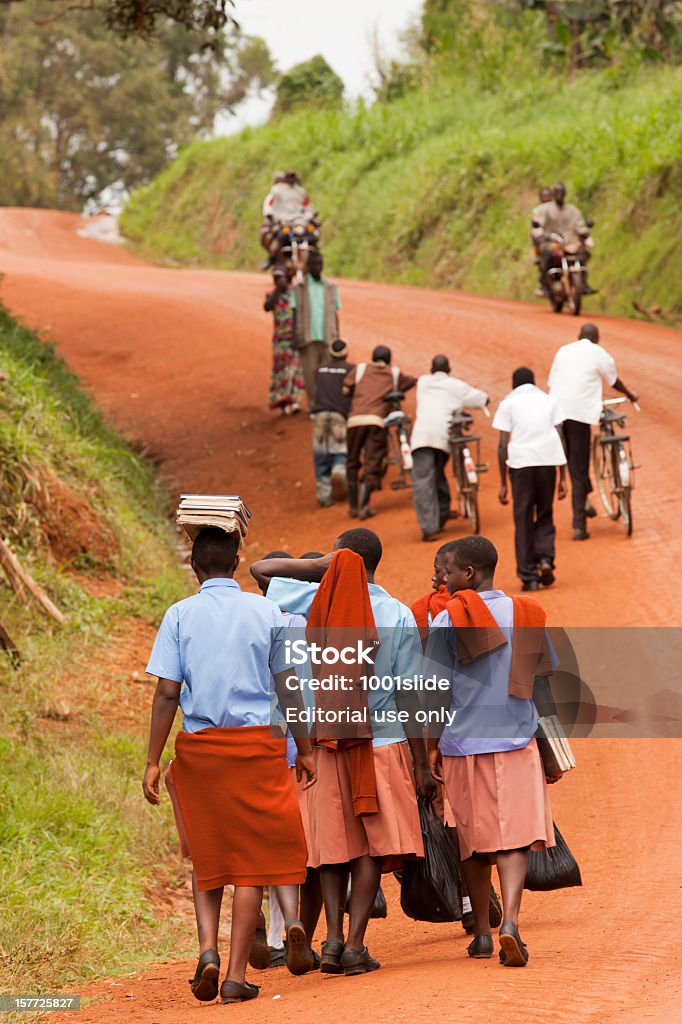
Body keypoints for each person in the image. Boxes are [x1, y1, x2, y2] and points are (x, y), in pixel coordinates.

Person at [142, 527, 316, 1006]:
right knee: (252, 865)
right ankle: (237, 975)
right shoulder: (267, 612)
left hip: (201, 752)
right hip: (257, 747)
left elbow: (167, 693)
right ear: (237, 564)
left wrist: (153, 760)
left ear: (194, 568)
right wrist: (304, 747)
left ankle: (206, 952)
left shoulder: (179, 615)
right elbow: (288, 687)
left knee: (208, 854)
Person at [251, 528, 436, 977]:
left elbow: (260, 569)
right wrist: (421, 759)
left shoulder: (319, 600)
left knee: (333, 846)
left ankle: (331, 941)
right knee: (371, 847)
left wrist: (321, 567)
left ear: (336, 559)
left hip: (327, 740)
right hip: (385, 740)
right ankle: (354, 945)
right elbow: (411, 691)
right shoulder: (395, 612)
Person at [425, 536, 556, 967]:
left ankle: (481, 932)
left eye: (447, 572)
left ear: (470, 574)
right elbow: (544, 678)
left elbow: (434, 687)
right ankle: (512, 922)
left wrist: (430, 746)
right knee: (513, 835)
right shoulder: (527, 613)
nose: (441, 580)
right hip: (516, 738)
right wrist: (548, 737)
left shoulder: (447, 620)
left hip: (463, 742)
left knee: (472, 839)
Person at [548, 323, 638, 540]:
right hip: (580, 416)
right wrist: (630, 394)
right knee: (578, 469)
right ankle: (579, 526)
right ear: (597, 338)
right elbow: (614, 381)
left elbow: (552, 382)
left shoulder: (563, 351)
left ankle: (585, 499)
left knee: (572, 462)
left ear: (579, 336)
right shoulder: (599, 353)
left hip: (557, 414)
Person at [493, 367, 568, 590]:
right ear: (534, 382)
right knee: (545, 513)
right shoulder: (549, 400)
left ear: (513, 385)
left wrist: (503, 482)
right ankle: (545, 559)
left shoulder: (508, 404)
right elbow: (560, 437)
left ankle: (529, 577)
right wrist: (563, 476)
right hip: (547, 462)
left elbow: (502, 445)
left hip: (521, 465)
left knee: (523, 518)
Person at [410, 355, 488, 541]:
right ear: (449, 369)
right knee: (437, 474)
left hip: (422, 437)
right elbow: (481, 398)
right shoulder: (456, 385)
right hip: (444, 438)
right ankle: (441, 515)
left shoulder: (423, 382)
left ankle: (430, 527)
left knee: (423, 480)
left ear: (431, 369)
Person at [343, 346, 416, 519]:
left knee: (352, 461)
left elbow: (345, 390)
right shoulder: (394, 373)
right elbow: (411, 382)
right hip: (376, 421)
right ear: (389, 359)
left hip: (354, 421)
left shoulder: (360, 369)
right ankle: (364, 506)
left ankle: (353, 505)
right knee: (372, 461)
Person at [291, 251, 341, 405]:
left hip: (328, 338)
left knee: (327, 375)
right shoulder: (299, 288)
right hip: (307, 338)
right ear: (308, 266)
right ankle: (314, 405)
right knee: (310, 376)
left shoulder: (331, 287)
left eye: (319, 264)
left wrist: (337, 337)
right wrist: (295, 336)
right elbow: (294, 313)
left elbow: (335, 313)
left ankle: (326, 404)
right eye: (313, 264)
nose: (317, 267)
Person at [310, 339, 354, 507]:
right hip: (339, 416)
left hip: (319, 415)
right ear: (346, 352)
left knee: (320, 454)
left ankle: (324, 496)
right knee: (340, 450)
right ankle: (339, 470)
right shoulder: (351, 369)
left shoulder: (319, 370)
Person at [534, 182, 596, 295]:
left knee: (583, 254)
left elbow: (579, 224)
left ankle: (583, 282)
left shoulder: (572, 210)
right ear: (554, 194)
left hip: (570, 242)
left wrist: (584, 232)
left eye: (561, 192)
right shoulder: (545, 209)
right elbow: (538, 224)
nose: (559, 195)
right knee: (547, 253)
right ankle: (545, 284)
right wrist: (541, 234)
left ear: (565, 194)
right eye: (557, 192)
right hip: (553, 241)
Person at [264, 267, 304, 416]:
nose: (276, 280)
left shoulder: (295, 295)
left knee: (295, 370)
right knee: (280, 370)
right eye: (275, 278)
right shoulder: (273, 296)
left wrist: (297, 335)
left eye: (279, 278)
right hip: (279, 340)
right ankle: (281, 401)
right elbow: (267, 307)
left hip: (294, 338)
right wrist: (277, 290)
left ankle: (294, 401)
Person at [530, 186, 553, 297]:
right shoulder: (537, 211)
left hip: (559, 239)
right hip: (545, 239)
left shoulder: (558, 208)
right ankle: (544, 283)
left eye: (548, 195)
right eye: (544, 196)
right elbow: (535, 228)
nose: (546, 198)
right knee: (547, 253)